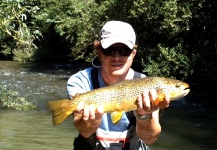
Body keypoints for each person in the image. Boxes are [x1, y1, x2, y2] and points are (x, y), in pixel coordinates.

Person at [67, 21, 170, 150]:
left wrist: (144, 115)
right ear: (99, 52)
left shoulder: (148, 85)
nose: (116, 57)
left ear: (133, 53)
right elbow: (85, 131)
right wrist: (90, 123)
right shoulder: (80, 81)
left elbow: (150, 138)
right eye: (109, 50)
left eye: (124, 51)